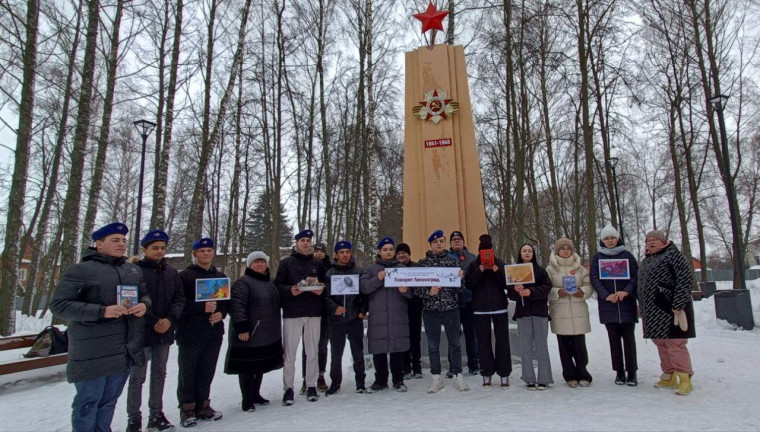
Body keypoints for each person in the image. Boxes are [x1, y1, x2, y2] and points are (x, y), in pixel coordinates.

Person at [51, 222, 150, 432]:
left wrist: (144, 305)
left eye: (123, 240)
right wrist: (101, 311)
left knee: (109, 403)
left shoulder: (132, 270)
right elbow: (59, 305)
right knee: (87, 403)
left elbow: (144, 296)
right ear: (99, 243)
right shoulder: (81, 270)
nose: (122, 244)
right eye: (115, 240)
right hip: (92, 352)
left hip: (123, 349)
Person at [127, 230, 185, 432]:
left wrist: (170, 319)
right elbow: (131, 299)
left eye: (162, 248)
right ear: (145, 249)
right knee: (137, 377)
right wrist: (153, 320)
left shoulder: (171, 273)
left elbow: (179, 298)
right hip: (141, 331)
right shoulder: (134, 271)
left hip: (164, 332)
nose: (159, 251)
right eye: (155, 248)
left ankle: (156, 414)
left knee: (159, 374)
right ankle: (134, 419)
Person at [176, 237, 228, 427]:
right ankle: (187, 408)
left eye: (209, 251)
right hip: (190, 332)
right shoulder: (184, 277)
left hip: (213, 332)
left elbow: (225, 303)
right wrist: (201, 308)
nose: (206, 254)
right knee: (188, 371)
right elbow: (178, 304)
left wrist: (221, 313)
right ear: (194, 254)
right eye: (201, 251)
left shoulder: (220, 276)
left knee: (207, 370)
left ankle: (203, 405)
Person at [638, 230, 696, 396]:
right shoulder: (647, 261)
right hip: (653, 311)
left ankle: (684, 377)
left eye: (655, 240)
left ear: (663, 241)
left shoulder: (674, 256)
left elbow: (685, 279)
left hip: (671, 309)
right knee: (661, 343)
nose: (651, 243)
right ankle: (669, 373)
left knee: (676, 343)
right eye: (648, 240)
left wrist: (678, 303)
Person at [225, 251, 284, 412]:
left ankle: (256, 394)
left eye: (262, 262)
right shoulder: (243, 283)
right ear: (250, 264)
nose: (260, 264)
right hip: (249, 332)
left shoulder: (270, 282)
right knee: (247, 366)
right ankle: (247, 398)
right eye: (256, 262)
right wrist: (242, 328)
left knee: (259, 365)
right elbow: (237, 306)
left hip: (266, 333)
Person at [275, 229, 327, 405]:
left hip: (313, 312)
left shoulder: (317, 264)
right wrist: (290, 290)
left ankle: (311, 385)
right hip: (293, 312)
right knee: (290, 353)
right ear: (296, 242)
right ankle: (288, 388)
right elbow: (278, 286)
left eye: (308, 240)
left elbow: (322, 285)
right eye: (302, 240)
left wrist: (320, 290)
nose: (305, 243)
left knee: (312, 351)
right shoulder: (286, 263)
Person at [417, 230, 468, 393]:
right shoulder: (423, 264)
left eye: (441, 241)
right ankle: (436, 377)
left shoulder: (452, 263)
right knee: (433, 345)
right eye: (436, 241)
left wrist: (460, 278)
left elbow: (460, 288)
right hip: (430, 310)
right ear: (430, 244)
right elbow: (416, 289)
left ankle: (457, 376)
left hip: (450, 308)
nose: (439, 244)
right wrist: (428, 292)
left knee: (455, 343)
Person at [360, 237, 412, 392]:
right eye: (385, 249)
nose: (388, 252)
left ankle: (398, 380)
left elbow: (412, 293)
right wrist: (377, 279)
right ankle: (380, 380)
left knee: (397, 348)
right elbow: (364, 288)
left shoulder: (403, 269)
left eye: (390, 249)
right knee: (379, 348)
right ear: (379, 252)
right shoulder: (370, 270)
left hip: (398, 315)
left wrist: (406, 291)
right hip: (378, 316)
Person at [590, 225, 640, 386]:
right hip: (608, 305)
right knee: (614, 341)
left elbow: (635, 276)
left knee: (629, 340)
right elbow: (595, 278)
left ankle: (632, 372)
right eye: (606, 238)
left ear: (618, 238)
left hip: (626, 303)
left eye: (612, 238)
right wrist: (606, 295)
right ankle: (619, 372)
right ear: (602, 240)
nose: (610, 241)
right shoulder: (598, 257)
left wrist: (626, 291)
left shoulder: (627, 256)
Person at [464, 235, 512, 389]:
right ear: (479, 252)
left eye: (488, 250)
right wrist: (480, 271)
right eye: (483, 251)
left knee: (502, 341)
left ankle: (504, 373)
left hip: (499, 307)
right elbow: (469, 284)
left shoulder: (500, 263)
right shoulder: (473, 265)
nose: (486, 253)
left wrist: (498, 272)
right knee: (483, 342)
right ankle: (486, 373)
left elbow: (507, 284)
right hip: (480, 309)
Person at [547, 237, 593, 388]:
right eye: (562, 248)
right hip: (560, 311)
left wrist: (582, 291)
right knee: (564, 347)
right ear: (557, 250)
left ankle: (583, 374)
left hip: (578, 310)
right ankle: (569, 375)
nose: (566, 251)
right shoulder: (550, 269)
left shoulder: (581, 268)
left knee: (580, 347)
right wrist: (558, 292)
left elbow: (588, 285)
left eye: (568, 248)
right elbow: (546, 289)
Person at [507, 243, 553, 390]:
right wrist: (515, 290)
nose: (527, 253)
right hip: (523, 313)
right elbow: (511, 295)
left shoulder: (540, 271)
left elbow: (547, 288)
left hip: (539, 313)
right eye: (524, 251)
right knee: (525, 347)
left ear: (533, 254)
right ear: (520, 254)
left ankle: (544, 378)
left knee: (541, 346)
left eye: (529, 251)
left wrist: (531, 292)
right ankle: (529, 378)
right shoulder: (514, 271)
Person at [324, 240, 368, 395]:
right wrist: (334, 308)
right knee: (336, 354)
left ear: (351, 254)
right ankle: (335, 382)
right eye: (341, 252)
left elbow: (365, 294)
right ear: (336, 255)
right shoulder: (329, 273)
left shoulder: (358, 271)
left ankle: (360, 382)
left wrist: (362, 310)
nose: (345, 254)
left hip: (354, 318)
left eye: (347, 252)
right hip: (336, 321)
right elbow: (325, 296)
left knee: (358, 352)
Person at [447, 230, 479, 376]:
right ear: (450, 243)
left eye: (459, 239)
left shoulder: (472, 258)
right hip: (452, 303)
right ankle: (453, 366)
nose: (457, 242)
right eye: (454, 240)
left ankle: (474, 364)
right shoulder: (445, 258)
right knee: (453, 336)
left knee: (471, 335)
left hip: (469, 302)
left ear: (463, 242)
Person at [396, 243, 424, 380]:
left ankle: (417, 367)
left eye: (404, 253)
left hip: (414, 306)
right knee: (403, 337)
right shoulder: (394, 269)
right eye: (399, 253)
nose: (401, 255)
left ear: (409, 254)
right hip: (399, 308)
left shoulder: (416, 267)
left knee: (415, 337)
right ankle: (405, 367)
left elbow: (421, 285)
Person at [308, 242, 331, 392]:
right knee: (308, 347)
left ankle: (320, 375)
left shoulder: (330, 267)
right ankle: (307, 377)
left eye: (321, 251)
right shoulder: (307, 265)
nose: (319, 253)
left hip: (326, 310)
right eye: (316, 251)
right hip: (309, 309)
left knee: (322, 345)